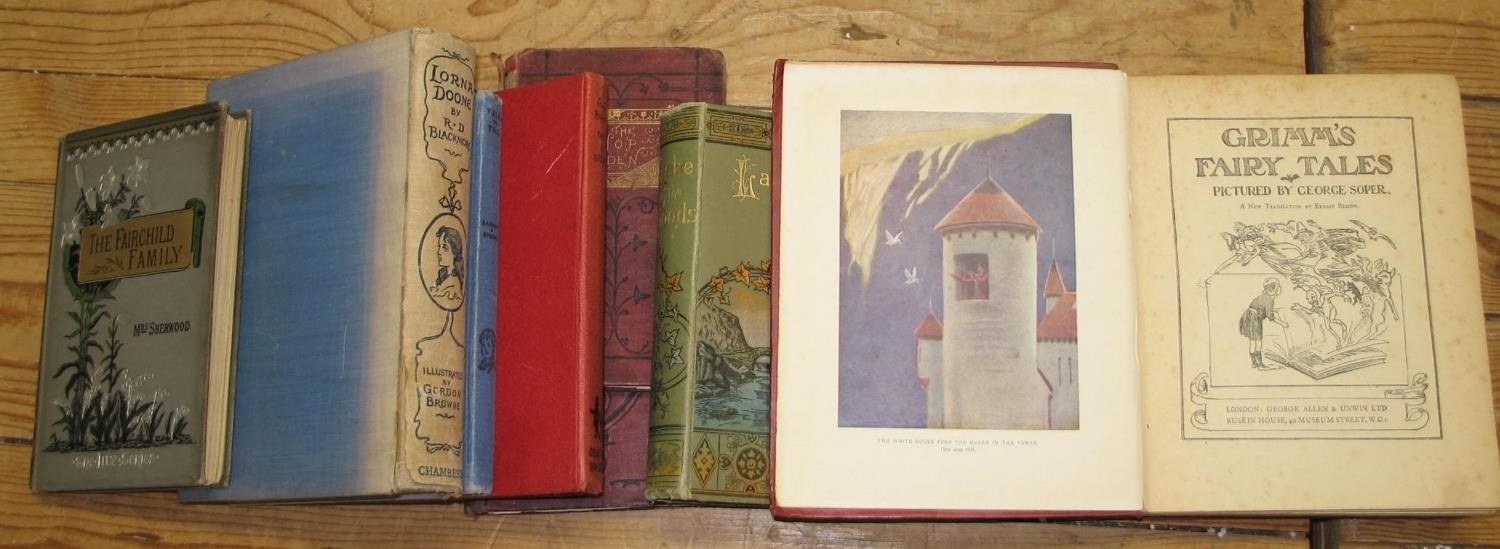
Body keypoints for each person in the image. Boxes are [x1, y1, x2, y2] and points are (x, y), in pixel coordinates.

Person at [1240, 278, 1289, 370]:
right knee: (1258, 342)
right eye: (1278, 286)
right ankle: (1260, 365)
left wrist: (1271, 310)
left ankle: (1254, 363)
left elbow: (1262, 307)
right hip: (1254, 319)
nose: (1280, 288)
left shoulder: (1264, 296)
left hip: (1248, 317)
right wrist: (1282, 323)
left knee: (1252, 341)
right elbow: (1270, 317)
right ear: (1273, 289)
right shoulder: (1269, 299)